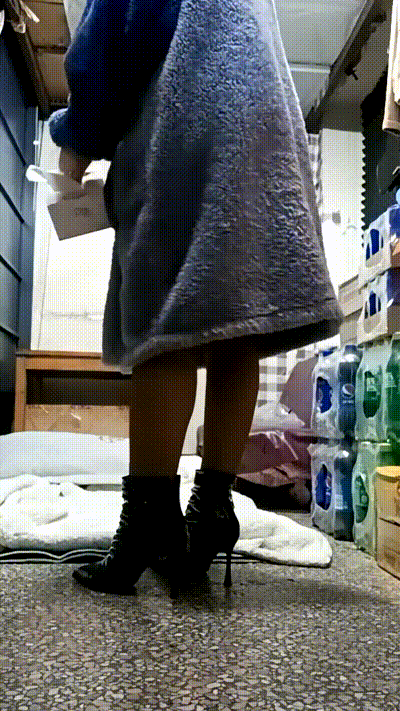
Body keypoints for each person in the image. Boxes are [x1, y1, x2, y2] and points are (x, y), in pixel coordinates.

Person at [49, 0, 342, 597]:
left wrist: (73, 153)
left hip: (189, 112)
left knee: (165, 322)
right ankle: (212, 511)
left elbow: (111, 40)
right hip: (263, 123)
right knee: (239, 322)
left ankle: (145, 523)